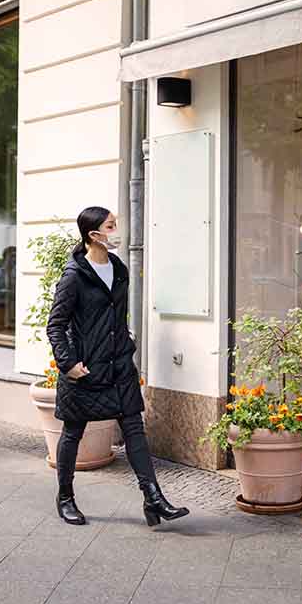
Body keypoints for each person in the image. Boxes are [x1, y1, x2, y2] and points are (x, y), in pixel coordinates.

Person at [46, 206, 188, 526]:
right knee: (73, 432)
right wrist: (68, 364)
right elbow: (55, 325)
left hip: (119, 364)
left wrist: (127, 346)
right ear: (93, 235)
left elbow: (115, 316)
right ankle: (65, 497)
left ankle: (154, 499)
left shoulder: (118, 268)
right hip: (85, 369)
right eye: (111, 226)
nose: (116, 231)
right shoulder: (74, 277)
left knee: (134, 428)